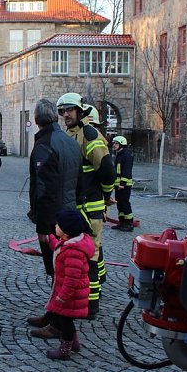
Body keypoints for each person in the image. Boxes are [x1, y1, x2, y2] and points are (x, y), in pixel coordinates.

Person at [56, 92, 115, 319]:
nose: (66, 114)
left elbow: (107, 170)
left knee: (90, 255)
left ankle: (91, 305)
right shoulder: (71, 133)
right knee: (84, 253)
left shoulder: (89, 135)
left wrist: (106, 194)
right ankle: (84, 295)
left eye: (70, 110)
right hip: (77, 204)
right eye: (63, 111)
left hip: (90, 205)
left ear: (80, 112)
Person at [26, 98, 81, 329]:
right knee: (62, 270)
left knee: (57, 271)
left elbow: (44, 189)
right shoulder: (70, 142)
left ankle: (60, 324)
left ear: (36, 119)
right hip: (69, 213)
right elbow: (79, 181)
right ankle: (53, 314)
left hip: (53, 220)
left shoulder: (44, 145)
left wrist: (42, 226)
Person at [30, 209, 96, 360]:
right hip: (69, 293)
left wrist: (63, 296)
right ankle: (74, 343)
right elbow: (59, 248)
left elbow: (72, 279)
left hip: (71, 295)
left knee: (65, 321)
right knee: (66, 319)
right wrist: (50, 240)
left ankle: (65, 349)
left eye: (58, 225)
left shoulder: (74, 252)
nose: (55, 226)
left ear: (66, 231)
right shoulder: (70, 244)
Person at [111, 136, 135, 232]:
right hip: (118, 184)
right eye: (114, 143)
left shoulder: (127, 155)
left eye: (116, 143)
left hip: (125, 185)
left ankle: (129, 223)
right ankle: (122, 222)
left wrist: (122, 183)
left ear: (121, 144)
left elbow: (126, 170)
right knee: (119, 203)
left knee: (125, 203)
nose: (114, 145)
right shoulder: (119, 154)